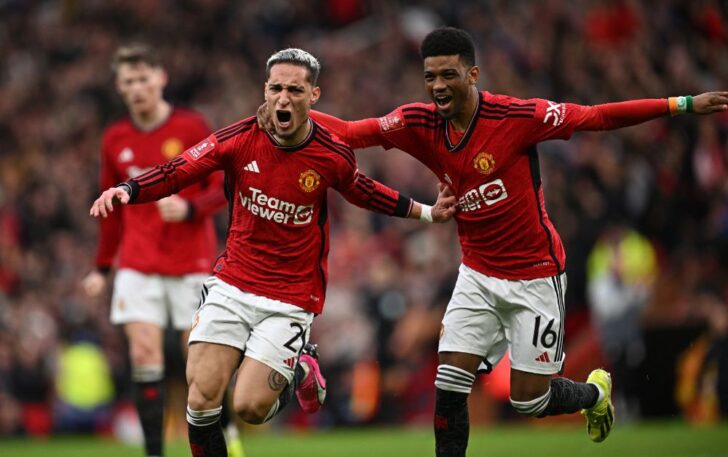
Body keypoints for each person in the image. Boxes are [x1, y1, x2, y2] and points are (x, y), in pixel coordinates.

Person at [275, 27, 728, 455]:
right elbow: (353, 132)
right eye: (430, 76)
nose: (438, 86)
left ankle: (594, 393)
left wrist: (682, 103)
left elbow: (597, 117)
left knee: (529, 400)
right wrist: (289, 112)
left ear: (473, 74)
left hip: (535, 275)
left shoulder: (517, 117)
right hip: (476, 274)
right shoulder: (419, 123)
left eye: (449, 74)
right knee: (449, 381)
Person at [89, 48, 456, 457]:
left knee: (249, 406)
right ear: (265, 90)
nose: (283, 98)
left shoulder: (330, 154)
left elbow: (364, 191)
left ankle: (299, 365)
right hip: (232, 283)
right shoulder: (239, 138)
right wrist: (128, 190)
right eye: (276, 88)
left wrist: (426, 213)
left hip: (290, 297)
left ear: (313, 95)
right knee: (201, 397)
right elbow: (178, 170)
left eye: (295, 90)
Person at [81, 44, 243, 457]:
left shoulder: (192, 127)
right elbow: (111, 210)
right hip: (138, 263)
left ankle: (226, 434)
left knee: (201, 365)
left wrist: (190, 208)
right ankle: (154, 452)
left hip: (191, 263)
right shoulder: (115, 138)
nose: (137, 88)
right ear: (119, 87)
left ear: (161, 78)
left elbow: (224, 188)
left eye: (143, 78)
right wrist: (102, 267)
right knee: (144, 353)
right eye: (128, 81)